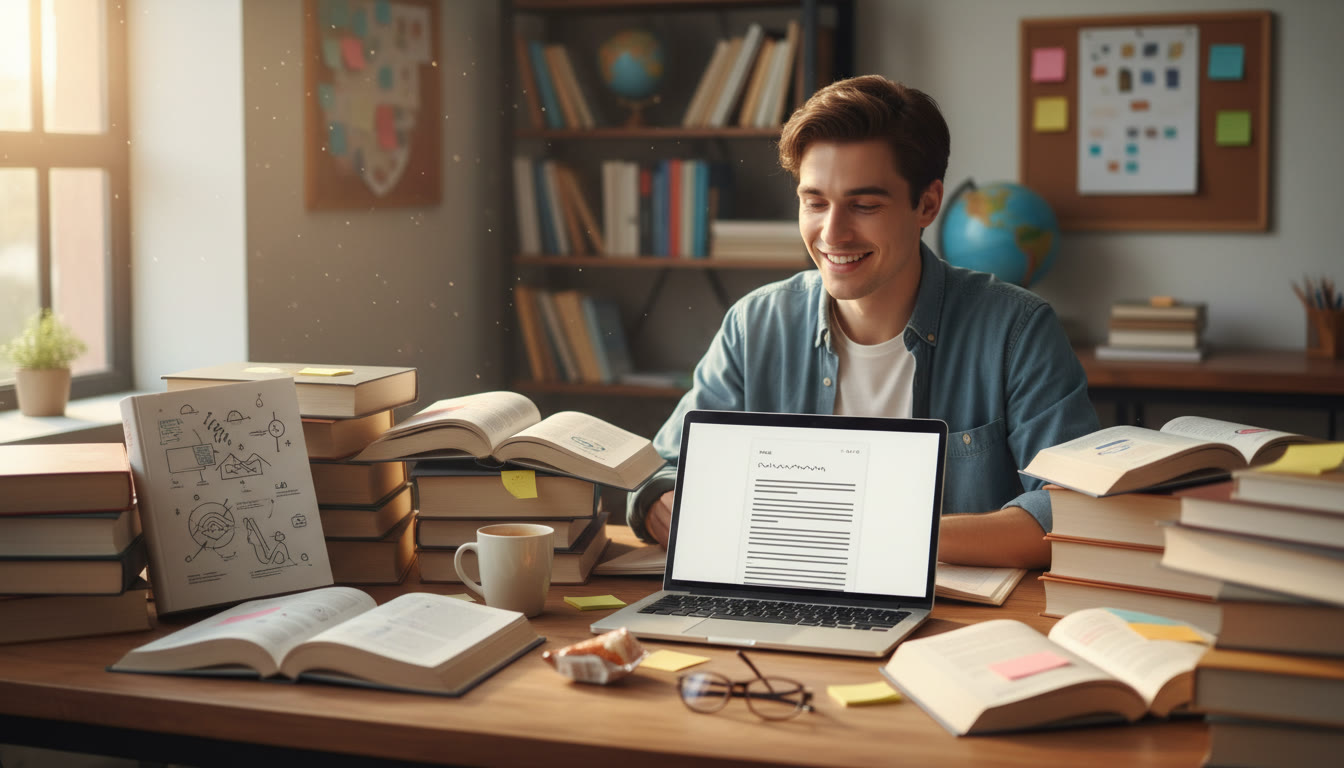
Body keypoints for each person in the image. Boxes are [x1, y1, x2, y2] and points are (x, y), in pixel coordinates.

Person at [625, 75, 1098, 569]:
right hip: (785, 597)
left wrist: (877, 532)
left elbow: (1069, 510)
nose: (833, 234)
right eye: (815, 202)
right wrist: (664, 500)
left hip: (957, 624)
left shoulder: (1017, 331)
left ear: (927, 204)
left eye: (864, 205)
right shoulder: (757, 324)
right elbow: (659, 472)